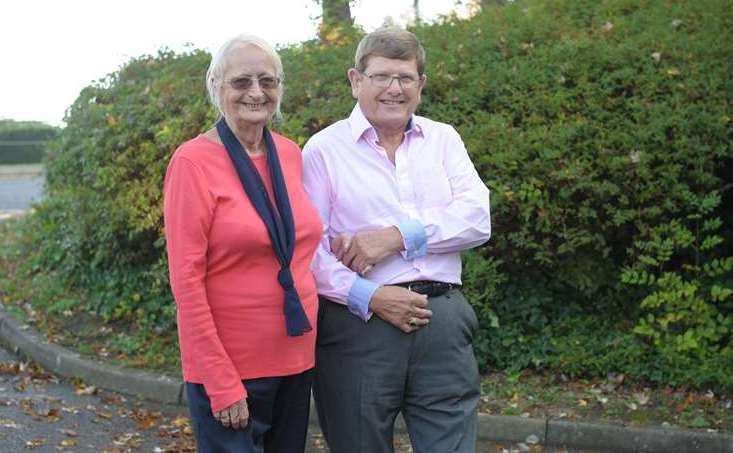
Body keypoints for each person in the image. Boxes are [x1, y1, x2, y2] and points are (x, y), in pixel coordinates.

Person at [302, 27, 491, 453]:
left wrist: (395, 237)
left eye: (406, 78)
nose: (394, 88)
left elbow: (478, 218)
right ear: (355, 80)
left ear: (421, 85)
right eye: (381, 77)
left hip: (441, 319)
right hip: (359, 327)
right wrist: (371, 296)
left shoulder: (443, 139)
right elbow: (309, 253)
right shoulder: (322, 151)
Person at [163, 34, 322, 453]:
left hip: (295, 356)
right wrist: (218, 378)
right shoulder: (192, 163)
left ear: (280, 88)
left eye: (267, 80)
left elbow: (300, 245)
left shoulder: (289, 154)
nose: (256, 92)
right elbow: (186, 279)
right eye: (241, 82)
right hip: (231, 367)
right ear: (216, 86)